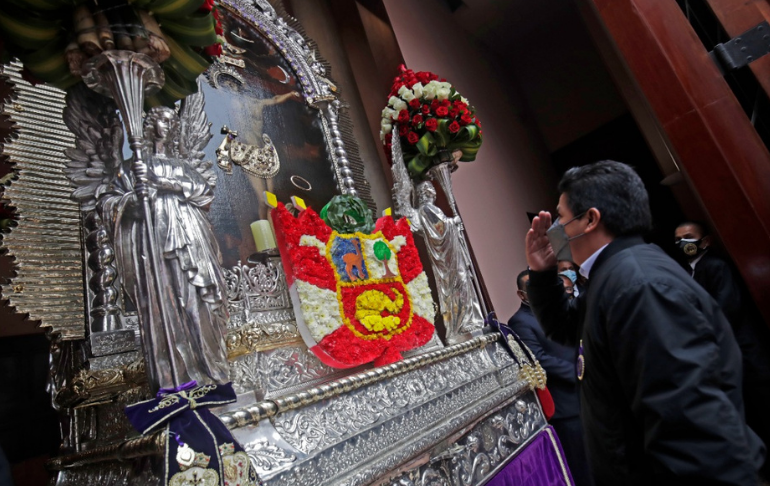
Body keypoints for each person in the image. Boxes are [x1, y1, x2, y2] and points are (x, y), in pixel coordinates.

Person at [525, 160, 764, 485]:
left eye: (562, 218)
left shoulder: (639, 285)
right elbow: (570, 328)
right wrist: (541, 274)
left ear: (591, 219)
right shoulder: (612, 273)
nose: (557, 229)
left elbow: (690, 427)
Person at [675, 221, 770, 478]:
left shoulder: (715, 266)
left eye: (688, 237)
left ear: (704, 241)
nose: (683, 244)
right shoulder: (687, 271)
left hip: (746, 355)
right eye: (679, 239)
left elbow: (726, 309)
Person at [508, 270, 592, 485]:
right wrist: (581, 371)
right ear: (522, 294)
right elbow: (540, 359)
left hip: (588, 396)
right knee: (583, 466)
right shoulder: (520, 321)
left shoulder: (559, 311)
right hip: (566, 405)